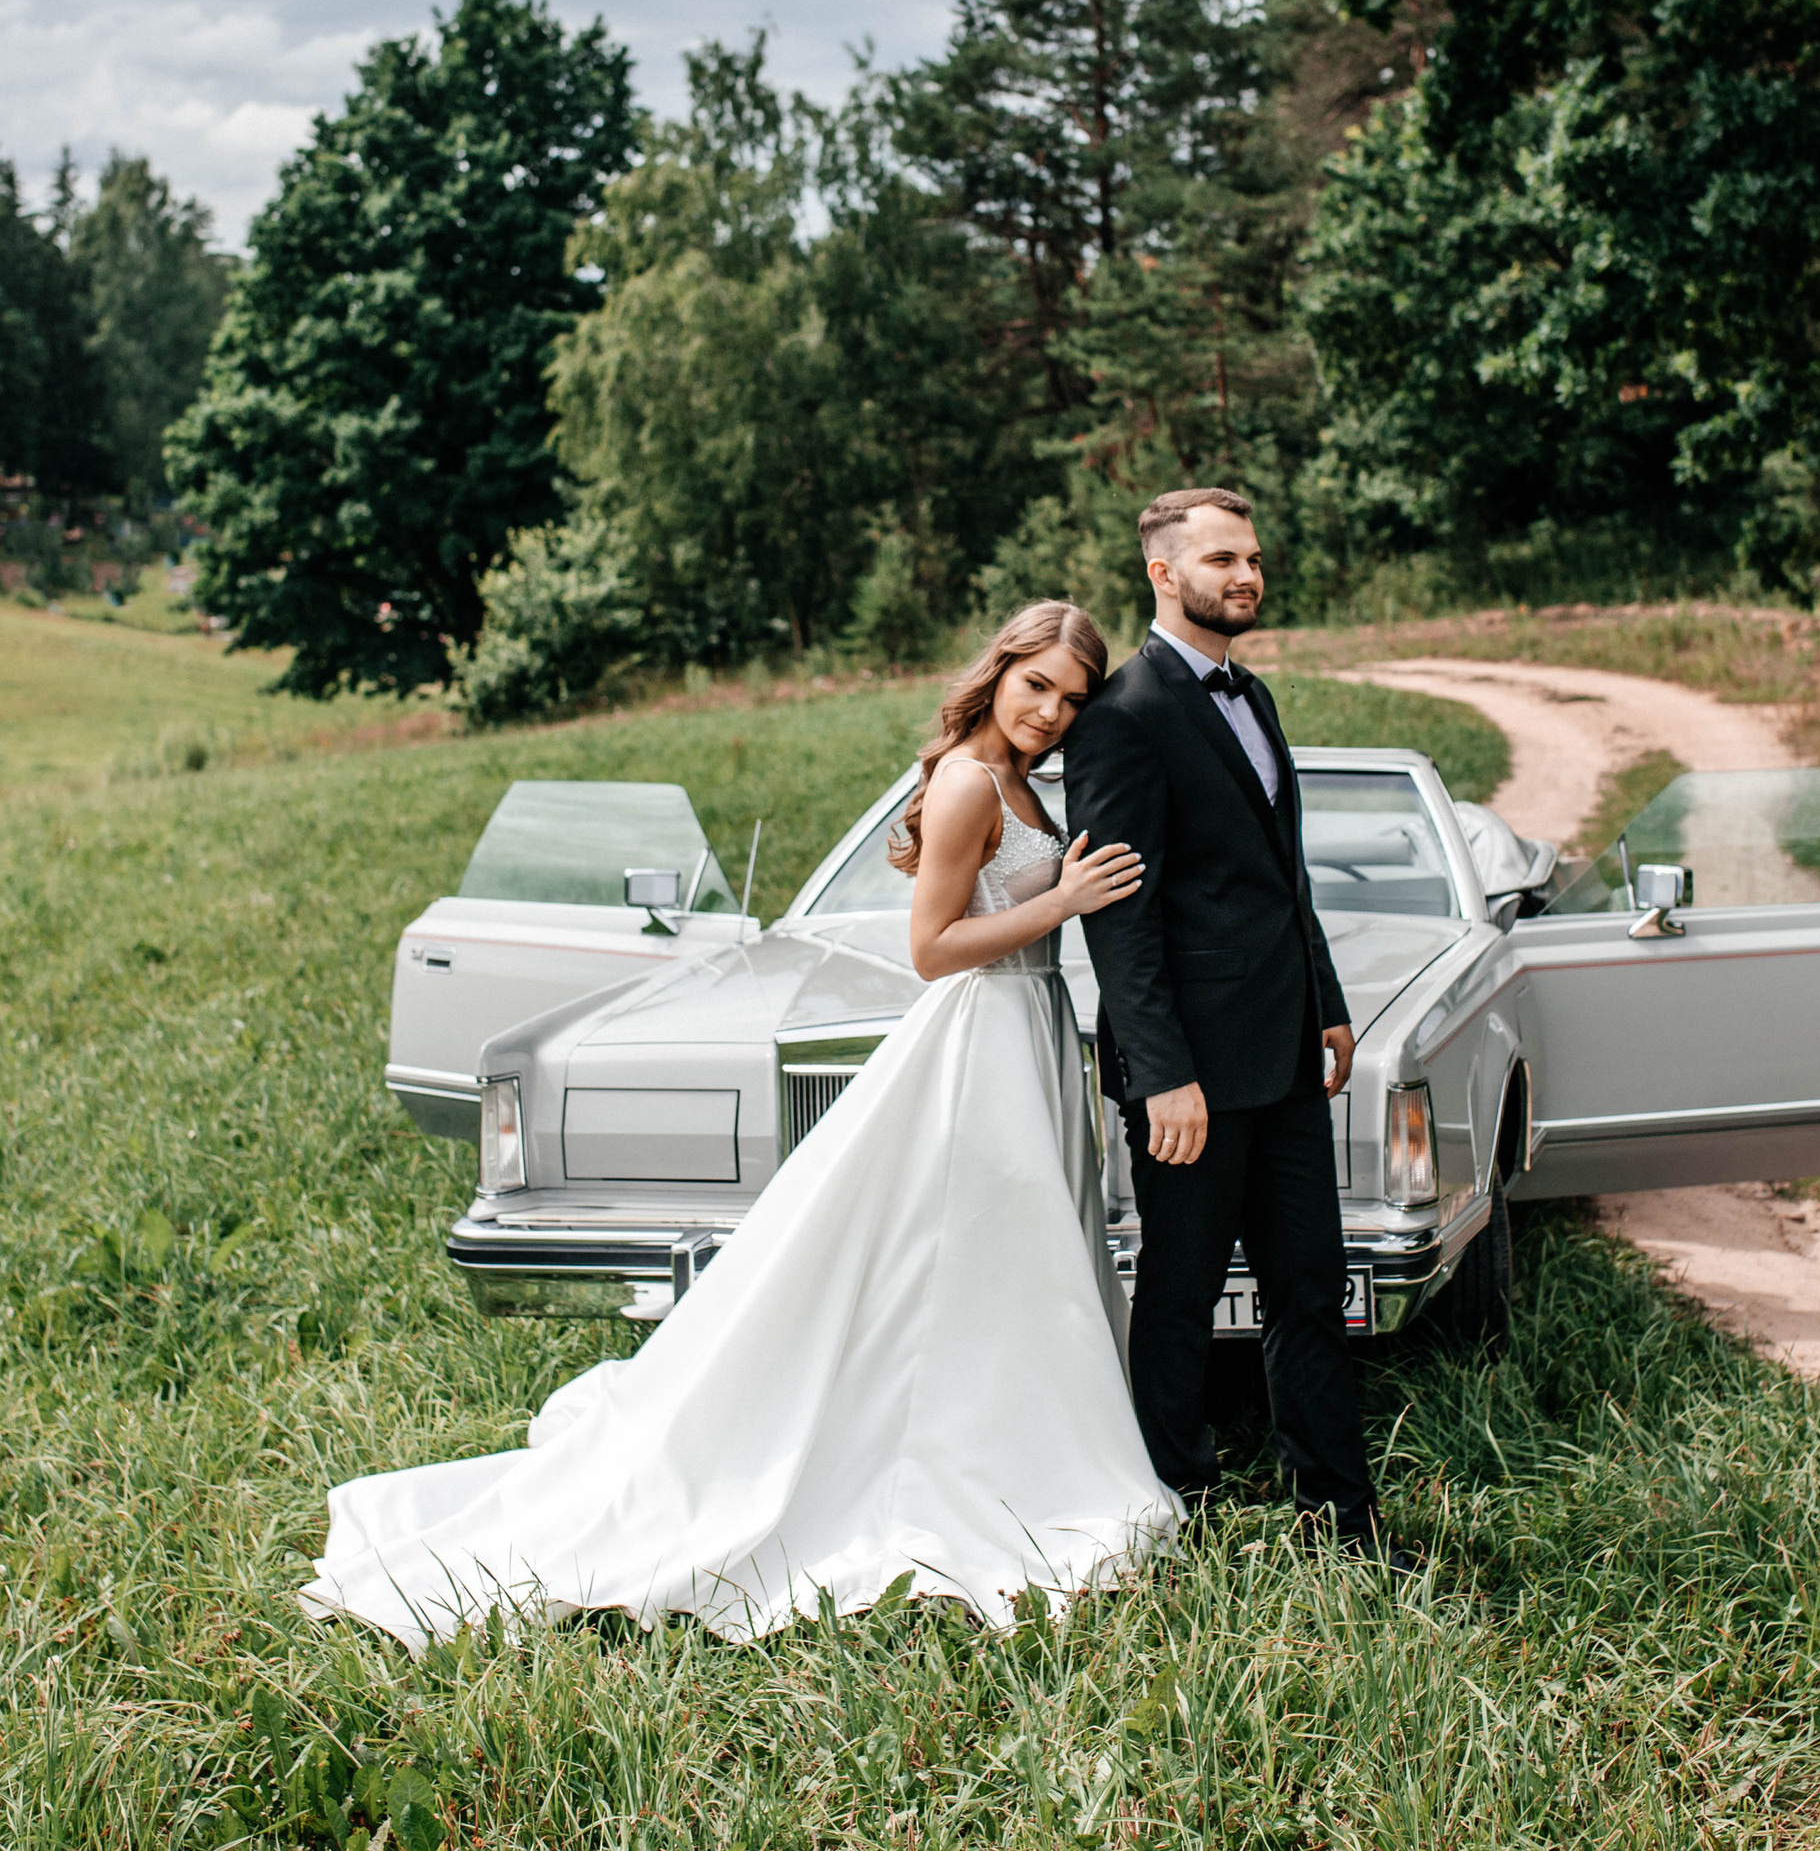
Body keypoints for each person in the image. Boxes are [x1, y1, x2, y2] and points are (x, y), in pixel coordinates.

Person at [302, 602, 1181, 1646]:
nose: (1049, 711)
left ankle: (1009, 1446)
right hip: (976, 1034)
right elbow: (932, 948)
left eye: (1071, 699)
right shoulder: (961, 783)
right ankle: (951, 1468)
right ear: (998, 672)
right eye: (1035, 685)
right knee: (966, 1248)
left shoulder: (1028, 787)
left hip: (1030, 1030)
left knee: (1010, 1259)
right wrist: (1062, 901)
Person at [1061, 487, 1416, 1565]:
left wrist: (1330, 1002)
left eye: (1253, 558)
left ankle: (1341, 1525)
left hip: (1283, 1057)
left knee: (1309, 1289)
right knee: (1177, 1296)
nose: (1246, 576)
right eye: (1222, 559)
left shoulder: (1251, 695)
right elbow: (1120, 919)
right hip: (1190, 1086)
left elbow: (1276, 875)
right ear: (1163, 575)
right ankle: (1172, 1511)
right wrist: (1163, 1075)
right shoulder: (1121, 717)